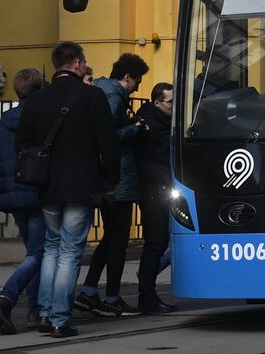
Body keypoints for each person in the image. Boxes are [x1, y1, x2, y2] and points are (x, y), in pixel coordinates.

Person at [18, 42, 117, 338]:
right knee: (71, 250)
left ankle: (46, 314)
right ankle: (61, 318)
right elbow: (108, 144)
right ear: (77, 64)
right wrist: (111, 180)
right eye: (84, 63)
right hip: (80, 185)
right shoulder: (92, 97)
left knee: (51, 247)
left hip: (47, 186)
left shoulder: (36, 100)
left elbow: (22, 143)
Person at [76, 54, 148, 317]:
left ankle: (91, 291)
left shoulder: (102, 91)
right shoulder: (114, 97)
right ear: (127, 77)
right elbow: (108, 137)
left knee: (111, 238)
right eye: (137, 81)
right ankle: (111, 296)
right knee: (118, 239)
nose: (138, 87)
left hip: (110, 177)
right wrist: (135, 128)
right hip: (118, 178)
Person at [0, 68, 46, 335]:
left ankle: (34, 308)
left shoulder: (1, 123)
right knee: (38, 253)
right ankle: (7, 299)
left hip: (12, 194)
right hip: (36, 191)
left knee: (34, 252)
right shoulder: (40, 119)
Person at [132, 82, 177, 313]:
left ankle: (147, 293)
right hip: (154, 192)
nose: (174, 105)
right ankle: (146, 295)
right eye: (170, 102)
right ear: (158, 103)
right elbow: (144, 162)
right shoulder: (149, 125)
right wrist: (168, 178)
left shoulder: (163, 122)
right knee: (156, 242)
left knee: (163, 242)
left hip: (162, 189)